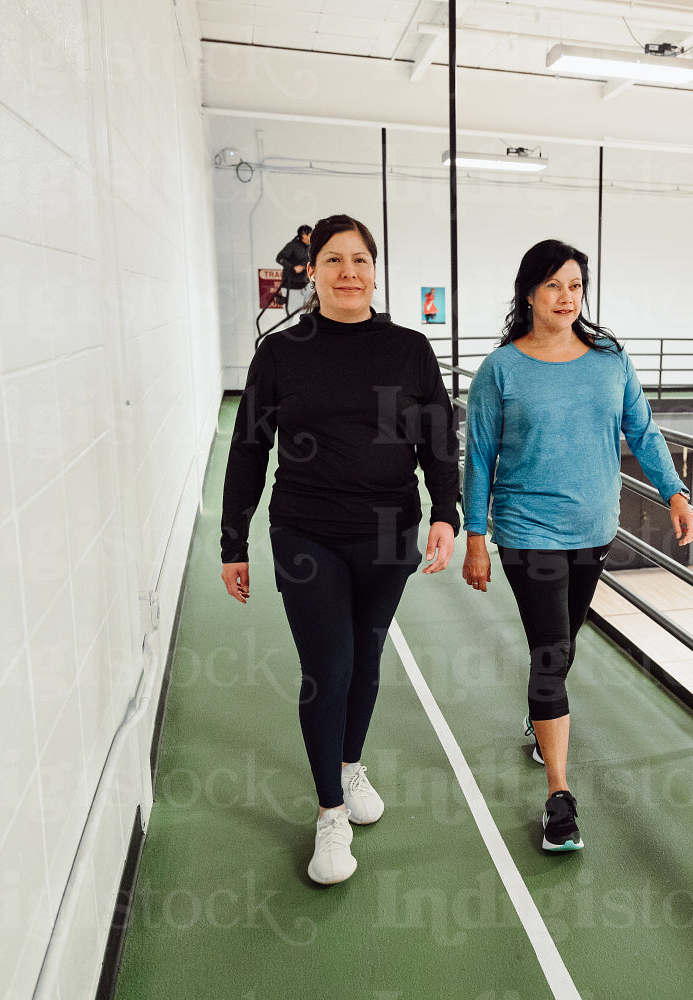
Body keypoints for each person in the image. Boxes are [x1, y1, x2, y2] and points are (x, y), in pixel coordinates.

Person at [221, 213, 460, 885]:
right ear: (312, 272)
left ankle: (350, 766)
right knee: (327, 666)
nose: (348, 271)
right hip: (307, 532)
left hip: (389, 533)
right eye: (333, 260)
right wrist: (231, 540)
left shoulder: (409, 350)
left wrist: (447, 513)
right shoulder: (281, 352)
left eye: (359, 259)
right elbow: (248, 449)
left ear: (375, 271)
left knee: (367, 657)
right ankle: (330, 813)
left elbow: (437, 440)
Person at [461, 238, 693, 853]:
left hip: (593, 531)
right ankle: (559, 797)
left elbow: (641, 431)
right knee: (550, 652)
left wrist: (674, 493)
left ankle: (541, 719)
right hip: (526, 531)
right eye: (553, 286)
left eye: (576, 285)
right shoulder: (502, 370)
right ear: (529, 294)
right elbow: (480, 456)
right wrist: (477, 538)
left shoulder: (609, 362)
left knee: (562, 647)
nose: (567, 297)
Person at [274, 224, 312, 309]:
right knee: (292, 312)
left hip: (304, 284)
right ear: (303, 235)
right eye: (310, 235)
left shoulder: (309, 248)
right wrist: (293, 267)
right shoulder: (292, 246)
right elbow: (279, 258)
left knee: (306, 311)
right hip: (291, 286)